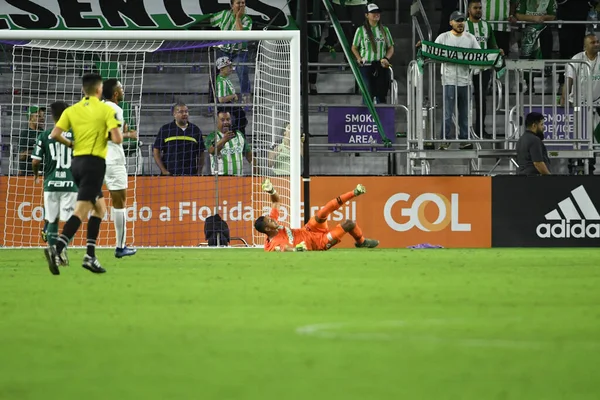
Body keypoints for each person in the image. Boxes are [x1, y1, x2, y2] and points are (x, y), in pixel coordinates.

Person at [44, 73, 123, 275]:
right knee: (81, 211)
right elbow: (117, 138)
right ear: (99, 90)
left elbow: (54, 134)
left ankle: (90, 255)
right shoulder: (106, 109)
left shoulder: (72, 110)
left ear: (83, 90)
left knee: (100, 209)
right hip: (94, 164)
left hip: (76, 164)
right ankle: (57, 248)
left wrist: (71, 143)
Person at [254, 179, 379, 252]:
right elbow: (283, 248)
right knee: (349, 223)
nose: (274, 220)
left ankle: (354, 192)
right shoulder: (274, 243)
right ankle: (361, 242)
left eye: (271, 218)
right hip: (319, 242)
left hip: (310, 229)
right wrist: (295, 250)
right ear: (267, 229)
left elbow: (276, 201)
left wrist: (271, 191)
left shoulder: (274, 226)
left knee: (323, 212)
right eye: (270, 221)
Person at [31, 101, 77, 268]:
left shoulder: (44, 135)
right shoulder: (76, 135)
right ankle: (60, 249)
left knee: (52, 220)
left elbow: (35, 161)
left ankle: (53, 253)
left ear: (52, 116)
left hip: (50, 183)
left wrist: (36, 176)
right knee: (72, 221)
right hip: (70, 184)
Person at [435, 11, 481, 149]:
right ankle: (444, 139)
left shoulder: (470, 38)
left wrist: (475, 70)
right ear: (451, 23)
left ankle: (464, 139)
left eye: (462, 20)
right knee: (448, 113)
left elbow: (479, 55)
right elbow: (433, 53)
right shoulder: (443, 37)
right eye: (457, 20)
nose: (460, 23)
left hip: (466, 81)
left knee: (465, 114)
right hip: (449, 80)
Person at [102, 78, 137, 258]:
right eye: (121, 88)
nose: (123, 91)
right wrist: (128, 134)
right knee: (119, 203)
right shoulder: (116, 109)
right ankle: (120, 246)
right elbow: (113, 136)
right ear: (115, 94)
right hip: (113, 161)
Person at [561, 33, 600, 174]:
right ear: (585, 46)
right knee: (578, 135)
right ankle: (574, 164)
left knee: (593, 136)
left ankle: (590, 165)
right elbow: (568, 80)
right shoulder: (576, 59)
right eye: (593, 42)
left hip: (597, 102)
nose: (596, 44)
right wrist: (564, 97)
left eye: (597, 42)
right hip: (578, 103)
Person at [466, 0, 503, 138]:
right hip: (467, 69)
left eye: (480, 8)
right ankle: (465, 130)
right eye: (475, 8)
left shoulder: (487, 26)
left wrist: (498, 51)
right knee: (465, 100)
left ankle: (480, 129)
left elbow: (492, 44)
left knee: (481, 99)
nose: (478, 10)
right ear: (469, 10)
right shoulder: (462, 25)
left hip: (484, 69)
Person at [351, 3, 394, 104]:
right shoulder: (361, 30)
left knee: (381, 94)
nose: (376, 14)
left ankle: (381, 118)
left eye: (378, 12)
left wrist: (386, 58)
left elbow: (391, 47)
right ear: (367, 15)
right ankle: (367, 117)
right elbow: (354, 47)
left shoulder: (385, 30)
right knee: (367, 93)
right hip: (366, 65)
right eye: (373, 12)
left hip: (381, 65)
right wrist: (359, 58)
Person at [211, 0, 253, 101]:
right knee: (216, 74)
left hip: (240, 51)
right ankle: (214, 99)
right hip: (224, 50)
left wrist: (238, 18)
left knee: (242, 72)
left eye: (243, 3)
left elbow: (240, 35)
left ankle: (246, 98)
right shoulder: (224, 15)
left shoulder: (247, 20)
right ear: (232, 5)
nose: (241, 5)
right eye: (238, 3)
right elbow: (210, 20)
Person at [153, 102, 205, 176]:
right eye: (181, 112)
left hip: (190, 175)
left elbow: (201, 153)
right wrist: (164, 171)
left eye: (186, 111)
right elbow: (156, 151)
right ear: (174, 114)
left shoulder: (195, 130)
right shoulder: (166, 129)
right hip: (170, 175)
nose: (184, 114)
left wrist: (199, 172)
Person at [205, 110, 252, 176]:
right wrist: (224, 139)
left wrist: (256, 172)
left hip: (239, 178)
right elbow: (212, 151)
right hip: (219, 180)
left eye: (228, 119)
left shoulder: (239, 135)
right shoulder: (211, 137)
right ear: (216, 122)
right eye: (222, 120)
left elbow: (250, 156)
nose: (226, 122)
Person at [214, 56, 248, 134]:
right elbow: (221, 99)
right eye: (228, 67)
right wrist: (233, 96)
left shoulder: (225, 79)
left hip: (230, 107)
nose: (231, 68)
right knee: (239, 124)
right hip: (227, 108)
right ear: (221, 69)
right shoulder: (222, 81)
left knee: (242, 120)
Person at [18, 106, 45, 175]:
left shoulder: (44, 133)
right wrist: (38, 150)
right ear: (30, 118)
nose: (42, 118)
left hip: (42, 171)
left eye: (43, 116)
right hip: (28, 172)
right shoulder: (25, 133)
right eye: (38, 116)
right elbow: (22, 155)